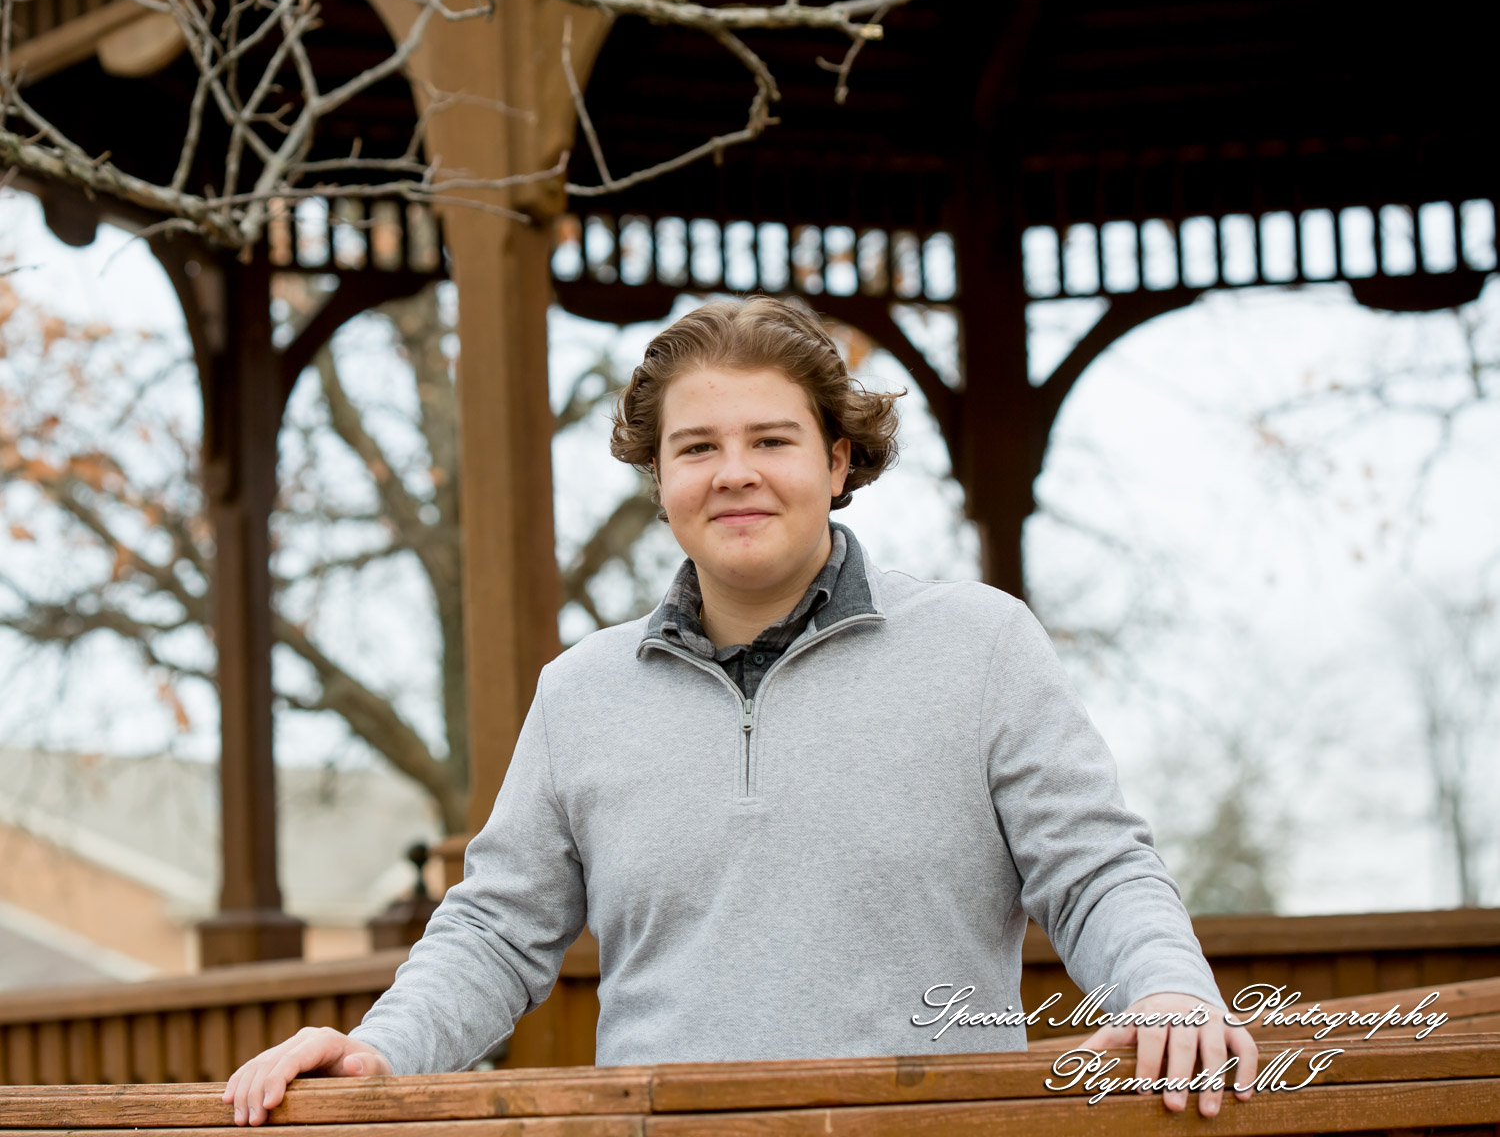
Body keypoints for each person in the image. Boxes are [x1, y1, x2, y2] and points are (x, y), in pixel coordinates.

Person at [224, 297, 1258, 1125]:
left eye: (772, 439)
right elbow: (496, 929)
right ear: (658, 475)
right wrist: (381, 1046)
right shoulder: (578, 692)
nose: (735, 476)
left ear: (837, 460)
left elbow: (1096, 870)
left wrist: (1165, 988)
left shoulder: (983, 647)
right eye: (696, 448)